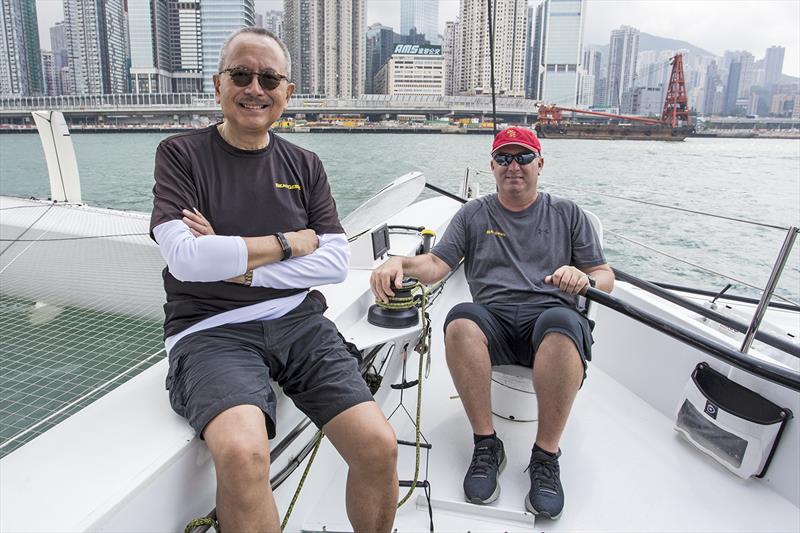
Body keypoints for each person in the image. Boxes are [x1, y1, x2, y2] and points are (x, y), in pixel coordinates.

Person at [149, 28, 397, 532]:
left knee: (378, 446)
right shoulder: (180, 155)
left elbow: (333, 263)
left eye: (268, 78)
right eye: (241, 75)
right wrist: (287, 242)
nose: (254, 88)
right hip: (209, 331)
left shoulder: (304, 164)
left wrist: (240, 265)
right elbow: (186, 260)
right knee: (243, 455)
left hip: (299, 323)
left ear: (287, 92)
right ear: (219, 85)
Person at [370, 126, 614, 520]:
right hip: (494, 320)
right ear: (493, 166)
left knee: (561, 327)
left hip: (549, 316)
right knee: (460, 320)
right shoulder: (473, 214)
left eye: (522, 157)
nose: (513, 166)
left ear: (540, 163)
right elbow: (436, 265)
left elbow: (604, 275)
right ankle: (486, 444)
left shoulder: (569, 214)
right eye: (503, 158)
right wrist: (399, 262)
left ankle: (545, 456)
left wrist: (584, 279)